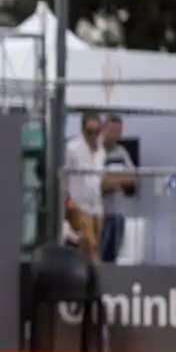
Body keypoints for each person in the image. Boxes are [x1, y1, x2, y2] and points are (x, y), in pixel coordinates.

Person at [64, 111, 106, 262]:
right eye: (90, 132)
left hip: (97, 207)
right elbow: (63, 177)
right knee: (90, 244)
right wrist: (68, 204)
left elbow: (99, 178)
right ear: (82, 130)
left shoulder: (101, 151)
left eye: (97, 131)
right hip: (79, 205)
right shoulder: (72, 149)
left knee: (94, 246)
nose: (94, 135)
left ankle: (88, 275)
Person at [99, 114, 136, 264]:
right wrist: (119, 180)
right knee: (98, 258)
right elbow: (100, 186)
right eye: (112, 130)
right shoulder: (97, 153)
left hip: (118, 215)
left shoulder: (121, 152)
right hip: (100, 215)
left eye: (118, 131)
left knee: (112, 260)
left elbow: (134, 178)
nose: (116, 135)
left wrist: (112, 180)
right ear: (104, 129)